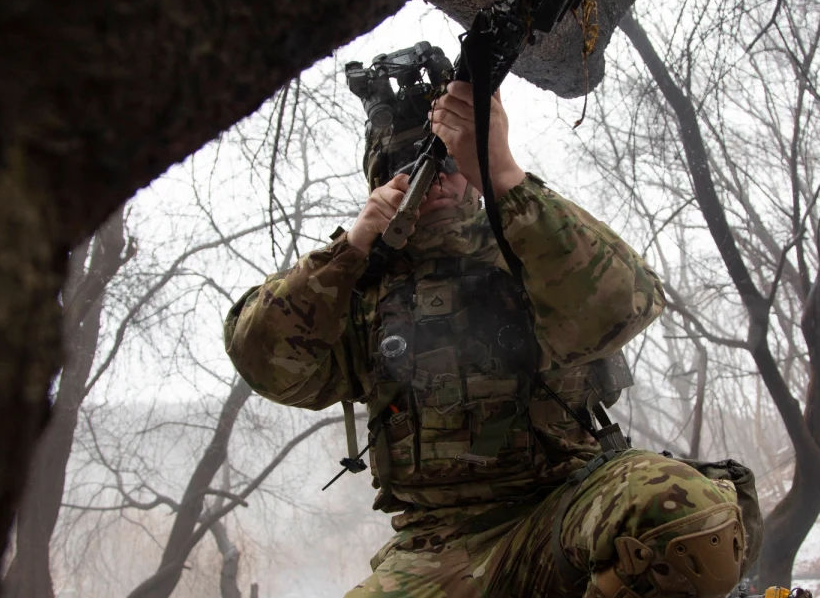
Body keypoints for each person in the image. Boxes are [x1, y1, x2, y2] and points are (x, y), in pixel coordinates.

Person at [223, 81, 762, 597]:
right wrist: (353, 245)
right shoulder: (357, 290)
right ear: (380, 181)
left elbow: (625, 304)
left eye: (445, 161)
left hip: (563, 514)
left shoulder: (528, 244)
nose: (430, 180)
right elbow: (263, 361)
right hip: (435, 548)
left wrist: (500, 171)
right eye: (408, 168)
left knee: (684, 515)